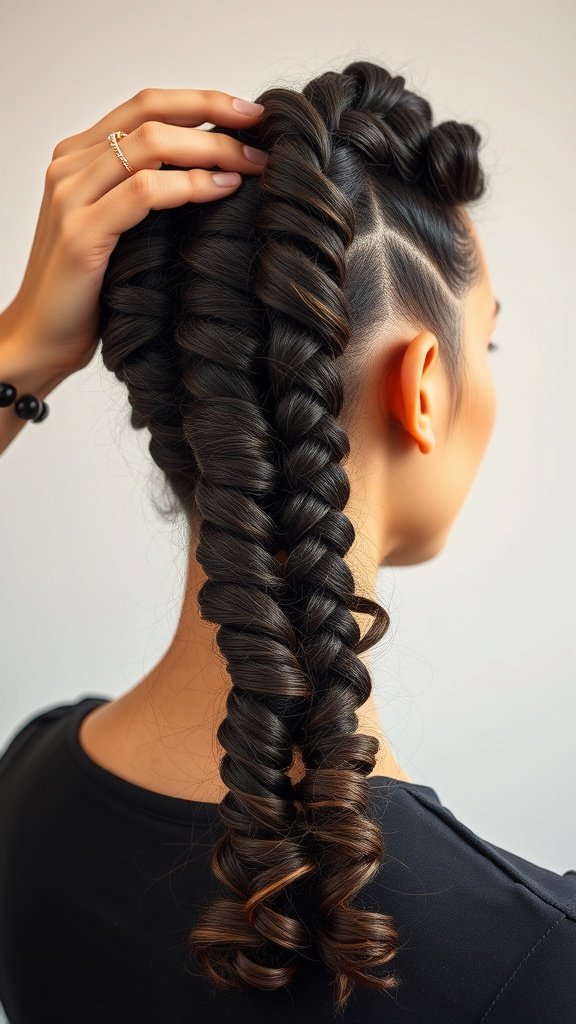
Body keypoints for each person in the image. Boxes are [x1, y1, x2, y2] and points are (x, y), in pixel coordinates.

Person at [0, 61, 574, 1023]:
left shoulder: (27, 789)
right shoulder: (538, 965)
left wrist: (18, 350)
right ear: (423, 386)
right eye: (492, 343)